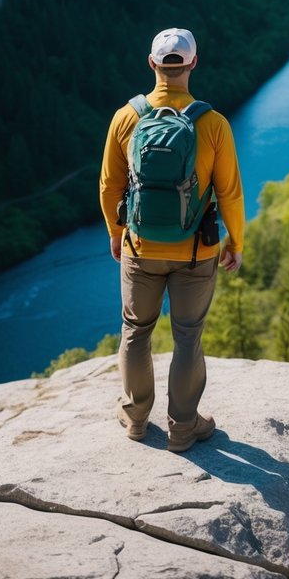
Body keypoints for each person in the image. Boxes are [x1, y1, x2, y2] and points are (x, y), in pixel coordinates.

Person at [99, 26, 245, 452]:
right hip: (196, 252)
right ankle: (183, 427)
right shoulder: (213, 124)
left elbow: (109, 186)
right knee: (187, 336)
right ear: (193, 63)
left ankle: (135, 418)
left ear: (152, 64)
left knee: (135, 331)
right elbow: (229, 192)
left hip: (140, 247)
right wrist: (235, 242)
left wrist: (116, 232)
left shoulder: (126, 118)